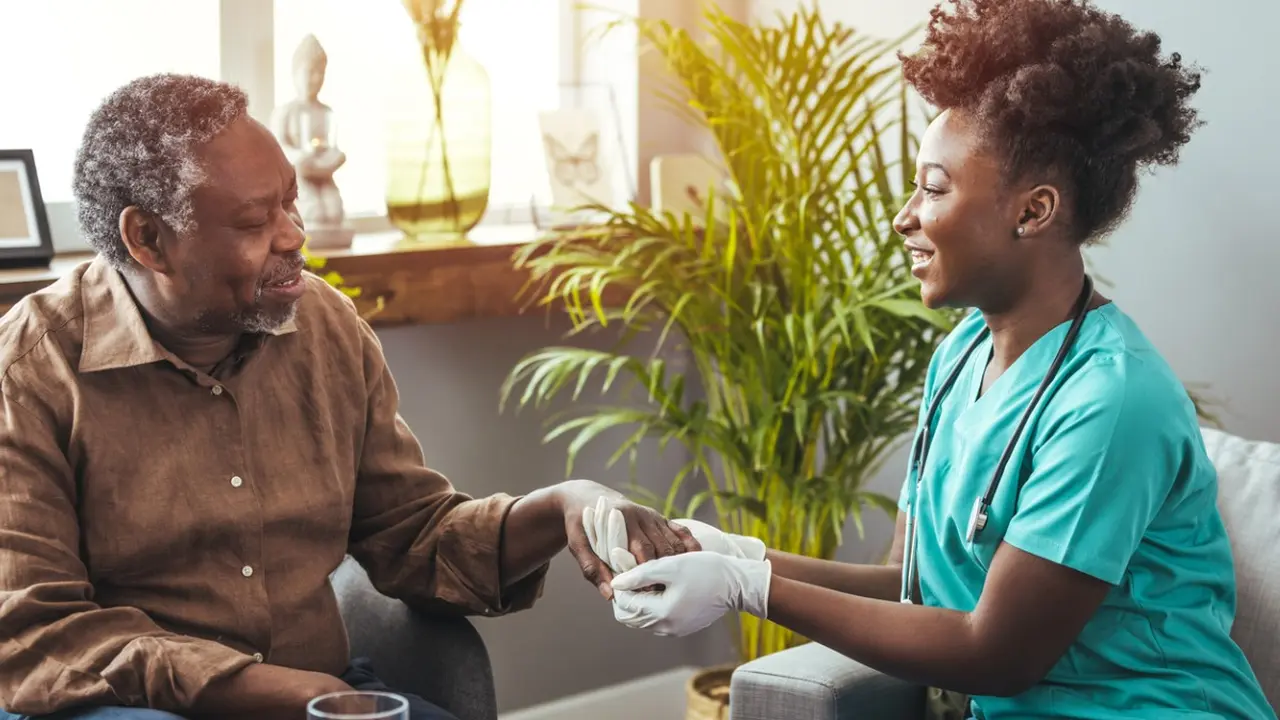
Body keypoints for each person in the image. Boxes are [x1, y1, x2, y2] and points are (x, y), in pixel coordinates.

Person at [586, 1, 1278, 718]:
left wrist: (750, 592)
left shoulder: (1113, 403)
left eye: (934, 187)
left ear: (1033, 211)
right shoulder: (959, 358)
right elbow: (913, 588)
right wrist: (735, 555)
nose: (903, 215)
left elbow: (996, 654)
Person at [0, 73, 698, 720]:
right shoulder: (32, 369)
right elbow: (36, 630)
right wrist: (263, 688)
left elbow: (412, 535)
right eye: (253, 222)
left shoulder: (325, 326)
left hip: (326, 694)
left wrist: (562, 506)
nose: (294, 236)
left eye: (291, 201)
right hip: (130, 707)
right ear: (147, 239)